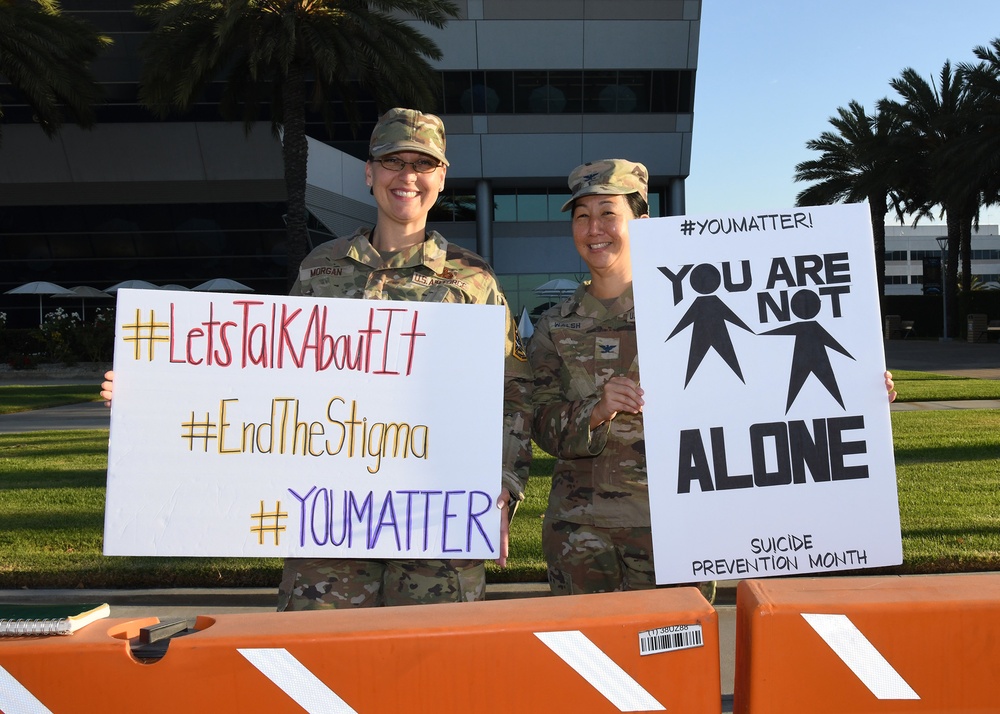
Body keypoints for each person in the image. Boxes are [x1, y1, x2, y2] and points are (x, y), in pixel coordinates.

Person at [103, 108, 532, 610]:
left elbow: (513, 390)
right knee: (321, 664)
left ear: (441, 177)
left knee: (432, 671)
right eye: (393, 161)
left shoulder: (472, 281)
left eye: (423, 164)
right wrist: (152, 394)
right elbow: (260, 376)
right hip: (329, 524)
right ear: (369, 172)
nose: (407, 176)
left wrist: (504, 484)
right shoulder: (320, 271)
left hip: (435, 521)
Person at [527, 159, 896, 600]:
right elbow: (542, 424)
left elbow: (766, 383)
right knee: (587, 664)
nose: (594, 228)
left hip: (680, 531)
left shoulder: (701, 306)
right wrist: (596, 410)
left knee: (674, 661)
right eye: (582, 216)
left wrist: (858, 393)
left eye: (608, 212)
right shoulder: (554, 326)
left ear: (641, 224)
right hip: (581, 534)